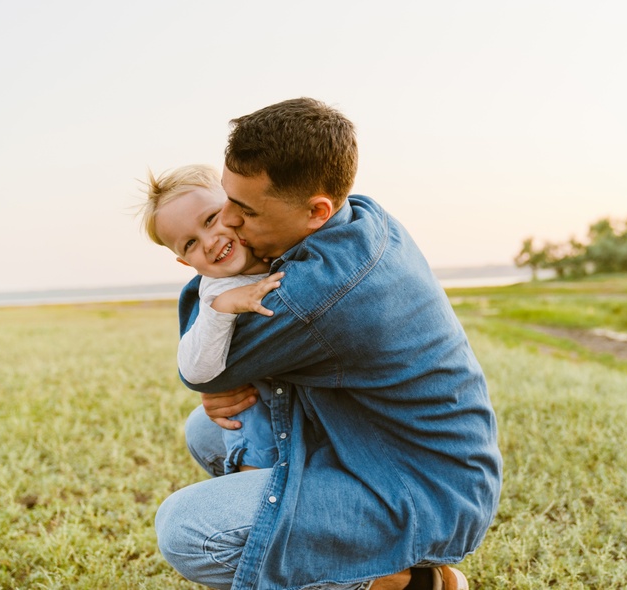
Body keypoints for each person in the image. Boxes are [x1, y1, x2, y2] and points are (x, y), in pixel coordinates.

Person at [155, 98, 503, 590]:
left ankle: (406, 584)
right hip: (396, 452)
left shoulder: (313, 295)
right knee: (206, 431)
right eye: (225, 199)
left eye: (244, 210)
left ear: (316, 210)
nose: (227, 222)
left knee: (187, 531)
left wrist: (222, 368)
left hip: (420, 493)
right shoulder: (359, 213)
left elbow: (202, 370)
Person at [141, 163, 284, 473]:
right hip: (258, 415)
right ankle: (250, 490)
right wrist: (221, 309)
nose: (209, 241)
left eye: (211, 218)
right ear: (183, 261)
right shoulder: (214, 291)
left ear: (233, 206)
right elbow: (194, 369)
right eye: (190, 243)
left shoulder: (276, 246)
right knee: (244, 414)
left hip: (304, 407)